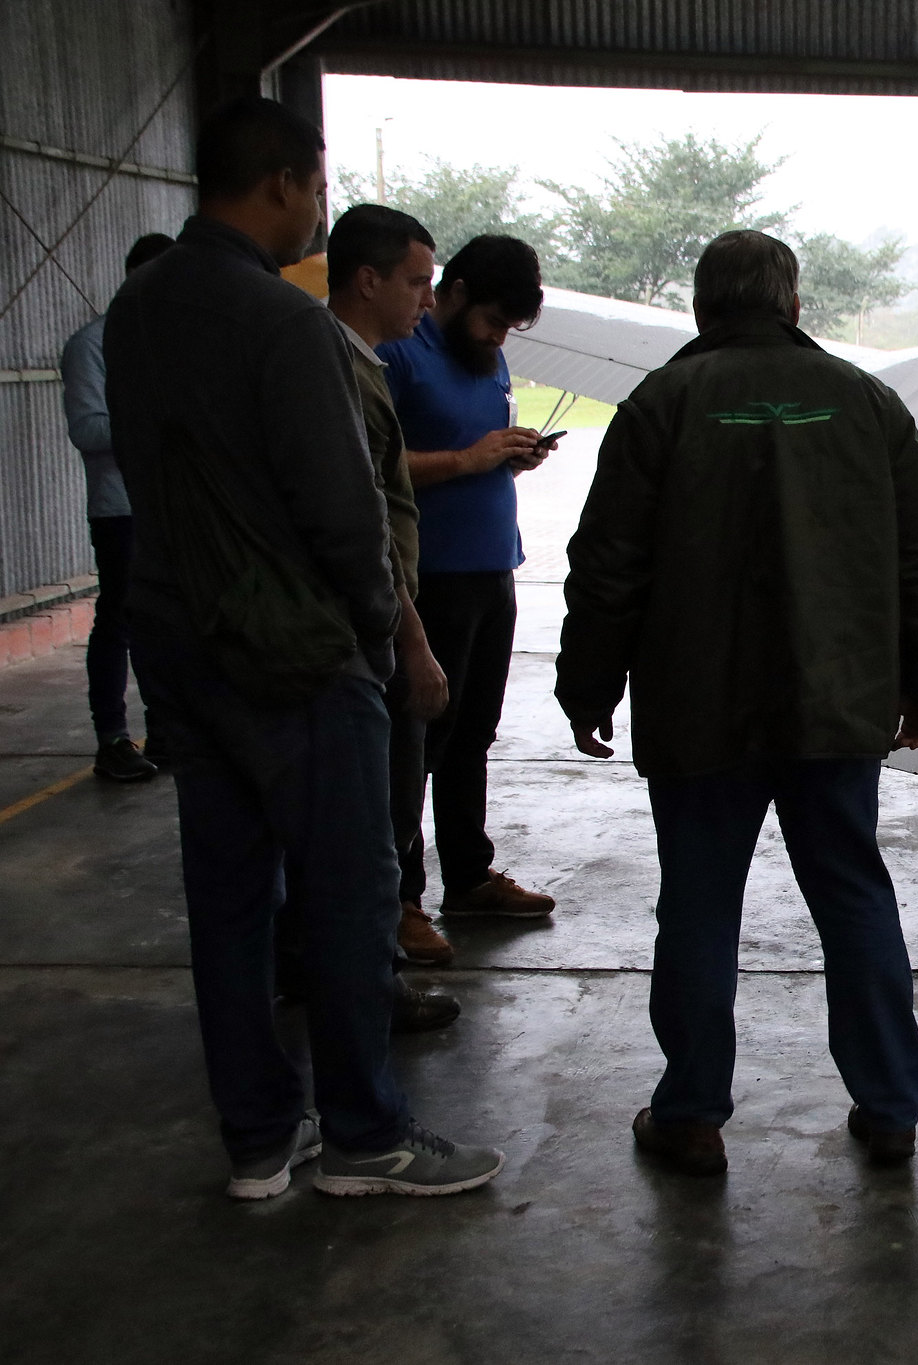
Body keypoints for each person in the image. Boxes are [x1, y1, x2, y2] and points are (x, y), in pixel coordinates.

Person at [104, 94, 502, 1198]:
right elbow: (343, 510)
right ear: (281, 182)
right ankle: (367, 1137)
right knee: (346, 894)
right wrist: (386, 633)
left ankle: (258, 1143)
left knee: (231, 900)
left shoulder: (136, 308)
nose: (318, 213)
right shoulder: (282, 324)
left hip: (179, 637)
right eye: (318, 189)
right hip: (295, 656)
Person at [556, 229, 918, 1174]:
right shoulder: (869, 405)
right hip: (836, 701)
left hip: (700, 704)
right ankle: (891, 1105)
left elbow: (609, 563)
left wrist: (587, 684)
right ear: (795, 305)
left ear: (702, 308)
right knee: (853, 893)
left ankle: (692, 1111)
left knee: (698, 902)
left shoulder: (661, 403)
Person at [379, 234, 556, 926]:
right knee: (419, 739)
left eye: (509, 326)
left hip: (492, 569)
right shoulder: (400, 354)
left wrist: (511, 456)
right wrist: (468, 458)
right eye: (491, 319)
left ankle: (469, 872)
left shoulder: (490, 358)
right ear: (450, 293)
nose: (497, 334)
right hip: (431, 579)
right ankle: (403, 894)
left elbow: (476, 451)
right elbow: (375, 467)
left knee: (472, 732)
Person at [323, 202, 463, 1029]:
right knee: (373, 820)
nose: (427, 299)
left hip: (374, 618)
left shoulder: (362, 362)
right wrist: (414, 642)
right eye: (417, 282)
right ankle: (369, 983)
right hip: (366, 630)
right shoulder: (335, 368)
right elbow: (360, 518)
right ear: (368, 280)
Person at [60, 231, 176, 782]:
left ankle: (168, 728)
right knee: (120, 619)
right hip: (120, 508)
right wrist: (154, 425)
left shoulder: (174, 341)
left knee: (171, 618)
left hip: (172, 500)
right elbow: (86, 428)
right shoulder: (92, 345)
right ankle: (111, 737)